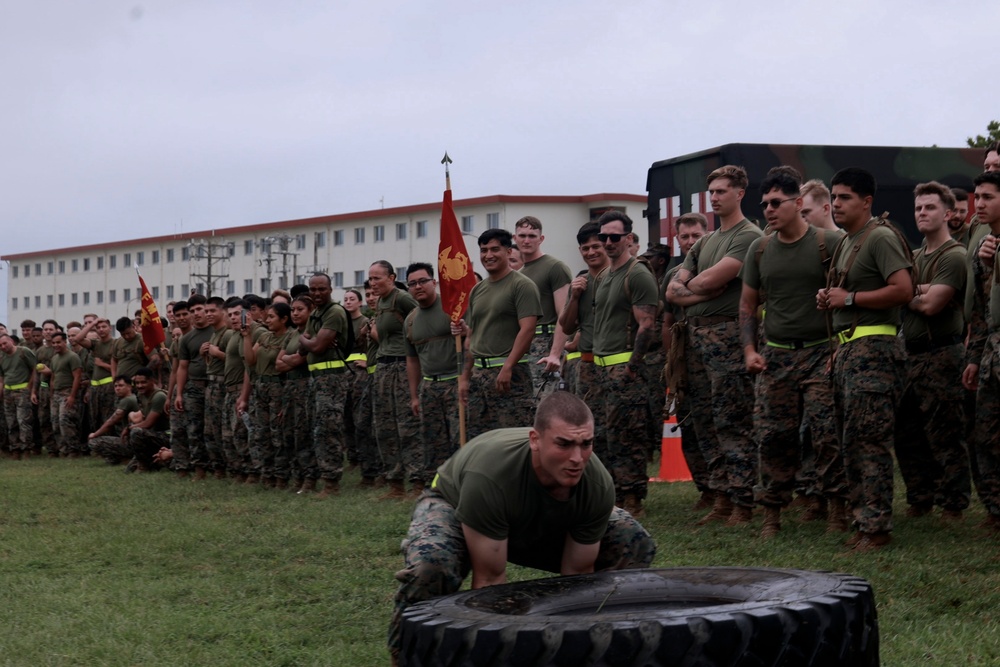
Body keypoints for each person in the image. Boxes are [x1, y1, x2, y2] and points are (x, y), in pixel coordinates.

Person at [387, 391, 657, 665]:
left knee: (632, 539)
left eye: (585, 444)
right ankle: (407, 653)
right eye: (564, 444)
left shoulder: (596, 484)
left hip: (530, 519)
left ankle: (607, 646)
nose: (577, 458)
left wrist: (574, 646)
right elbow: (489, 582)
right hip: (456, 505)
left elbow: (577, 578)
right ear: (535, 440)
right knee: (432, 564)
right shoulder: (490, 475)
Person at [739, 166, 847, 538]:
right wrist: (749, 349)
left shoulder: (828, 244)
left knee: (827, 435)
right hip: (776, 356)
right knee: (773, 437)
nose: (769, 210)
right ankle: (772, 514)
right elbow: (748, 304)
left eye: (776, 202)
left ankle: (836, 510)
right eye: (764, 204)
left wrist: (840, 348)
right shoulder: (760, 248)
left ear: (798, 203)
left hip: (821, 354)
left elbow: (848, 297)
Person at [817, 167, 913, 552]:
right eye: (833, 197)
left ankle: (876, 527)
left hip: (875, 351)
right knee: (852, 441)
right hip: (850, 350)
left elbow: (903, 290)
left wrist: (849, 299)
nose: (836, 204)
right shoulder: (848, 241)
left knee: (870, 441)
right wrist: (832, 301)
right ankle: (863, 521)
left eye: (845, 197)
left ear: (866, 201)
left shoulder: (880, 237)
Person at [666, 165, 763, 526]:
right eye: (712, 192)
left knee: (732, 419)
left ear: (740, 193)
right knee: (704, 420)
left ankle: (743, 501)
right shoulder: (705, 242)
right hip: (695, 337)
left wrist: (692, 289)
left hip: (728, 336)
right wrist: (698, 294)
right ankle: (720, 497)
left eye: (722, 191)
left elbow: (710, 279)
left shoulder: (748, 235)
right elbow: (673, 291)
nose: (715, 198)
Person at [895, 181, 970, 520]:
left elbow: (931, 305)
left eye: (930, 207)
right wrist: (916, 290)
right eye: (918, 208)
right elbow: (906, 293)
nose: (922, 213)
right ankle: (920, 497)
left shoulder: (955, 255)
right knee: (907, 431)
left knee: (945, 431)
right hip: (909, 354)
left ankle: (953, 502)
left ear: (948, 213)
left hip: (942, 354)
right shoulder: (913, 257)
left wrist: (906, 293)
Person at [586, 211, 658, 518]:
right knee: (604, 435)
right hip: (601, 368)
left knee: (628, 435)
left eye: (614, 237)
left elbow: (647, 325)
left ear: (629, 238)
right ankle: (613, 495)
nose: (608, 242)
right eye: (603, 237)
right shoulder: (604, 276)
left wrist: (631, 367)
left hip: (623, 367)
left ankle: (633, 499)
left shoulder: (637, 274)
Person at [456, 229, 541, 440]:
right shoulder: (477, 290)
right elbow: (472, 336)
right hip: (479, 376)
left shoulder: (522, 285)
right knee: (480, 440)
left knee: (511, 439)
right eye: (483, 250)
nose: (488, 255)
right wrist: (465, 378)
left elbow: (528, 329)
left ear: (508, 251)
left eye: (495, 249)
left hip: (509, 376)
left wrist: (508, 366)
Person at [660, 213, 711, 507]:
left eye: (696, 236)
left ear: (707, 234)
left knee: (718, 420)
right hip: (685, 359)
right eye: (685, 236)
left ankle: (728, 489)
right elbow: (667, 322)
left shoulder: (718, 268)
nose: (690, 242)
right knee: (689, 424)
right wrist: (672, 363)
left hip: (716, 357)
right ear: (676, 239)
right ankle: (706, 488)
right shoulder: (673, 275)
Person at [963, 169, 1000, 532]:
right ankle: (995, 508)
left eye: (988, 197)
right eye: (978, 198)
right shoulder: (983, 247)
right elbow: (978, 312)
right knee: (986, 435)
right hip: (991, 355)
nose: (980, 205)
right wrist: (974, 358)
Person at [404, 263, 461, 489]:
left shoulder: (452, 308)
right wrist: (414, 396)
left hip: (455, 384)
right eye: (412, 283)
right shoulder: (410, 320)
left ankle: (462, 486)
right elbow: (412, 360)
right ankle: (436, 488)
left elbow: (471, 342)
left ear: (434, 282)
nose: (418, 286)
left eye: (423, 281)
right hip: (429, 388)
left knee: (459, 439)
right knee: (433, 442)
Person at [369, 261, 422, 499]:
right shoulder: (380, 302)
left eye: (377, 278)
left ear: (391, 278)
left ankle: (418, 481)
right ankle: (395, 482)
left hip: (403, 366)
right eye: (371, 279)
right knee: (385, 427)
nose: (373, 283)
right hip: (383, 367)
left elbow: (420, 320)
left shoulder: (402, 299)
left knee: (407, 426)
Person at [297, 273, 350, 498]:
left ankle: (331, 483)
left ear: (330, 289)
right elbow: (304, 348)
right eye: (313, 289)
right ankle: (320, 477)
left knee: (328, 430)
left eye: (321, 289)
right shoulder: (316, 313)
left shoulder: (335, 312)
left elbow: (316, 346)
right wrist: (309, 340)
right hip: (317, 378)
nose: (317, 293)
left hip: (332, 378)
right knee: (316, 429)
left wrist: (304, 338)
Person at [515, 216, 573, 399]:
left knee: (547, 403)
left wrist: (555, 354)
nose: (526, 240)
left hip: (546, 345)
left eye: (532, 236)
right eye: (522, 235)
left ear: (541, 239)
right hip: (526, 346)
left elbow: (564, 315)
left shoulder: (555, 267)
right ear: (515, 238)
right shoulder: (519, 274)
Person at [244, 302, 295, 488]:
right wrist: (247, 337)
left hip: (278, 387)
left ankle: (282, 475)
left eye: (272, 317)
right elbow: (250, 360)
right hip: (261, 386)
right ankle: (268, 474)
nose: (268, 320)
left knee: (278, 433)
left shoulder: (290, 336)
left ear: (284, 319)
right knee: (262, 433)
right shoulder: (264, 336)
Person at [559, 222, 609, 401]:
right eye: (585, 248)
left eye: (596, 246)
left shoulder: (622, 277)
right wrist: (575, 297)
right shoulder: (580, 284)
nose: (591, 252)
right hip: (587, 366)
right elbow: (567, 327)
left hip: (616, 364)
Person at [173, 294, 213, 479]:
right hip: (194, 387)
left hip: (214, 384)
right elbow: (182, 367)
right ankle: (199, 469)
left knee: (214, 429)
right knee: (194, 430)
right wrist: (179, 394)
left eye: (199, 309)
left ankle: (220, 468)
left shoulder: (217, 331)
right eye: (192, 311)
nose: (196, 313)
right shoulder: (186, 339)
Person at [277, 295, 314, 492]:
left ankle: (309, 477)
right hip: (290, 388)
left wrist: (290, 360)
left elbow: (301, 360)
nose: (295, 313)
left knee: (304, 434)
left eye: (300, 309)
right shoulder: (292, 334)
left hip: (305, 385)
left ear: (310, 311)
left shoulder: (311, 333)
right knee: (289, 433)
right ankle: (297, 477)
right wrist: (291, 359)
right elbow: (278, 364)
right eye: (293, 310)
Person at [38, 331, 83, 457]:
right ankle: (63, 449)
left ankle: (73, 449)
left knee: (65, 420)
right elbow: (53, 376)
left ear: (65, 342)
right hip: (56, 394)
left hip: (67, 392)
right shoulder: (54, 358)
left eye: (58, 342)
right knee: (55, 422)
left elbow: (77, 377)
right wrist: (52, 393)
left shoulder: (72, 357)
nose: (56, 345)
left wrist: (72, 396)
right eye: (53, 343)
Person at [203, 296, 234, 478]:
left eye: (212, 311)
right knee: (210, 430)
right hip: (212, 383)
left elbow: (235, 361)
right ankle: (218, 468)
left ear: (222, 312)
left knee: (224, 429)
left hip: (223, 385)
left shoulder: (227, 334)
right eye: (206, 311)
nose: (208, 314)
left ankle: (231, 468)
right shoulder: (214, 334)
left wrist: (217, 353)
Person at [342, 288, 369, 471]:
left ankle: (363, 456)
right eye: (346, 299)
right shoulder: (341, 323)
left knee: (359, 416)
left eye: (352, 299)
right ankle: (352, 457)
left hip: (359, 373)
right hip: (343, 371)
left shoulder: (365, 322)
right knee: (346, 417)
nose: (348, 302)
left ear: (360, 302)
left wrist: (367, 362)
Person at [72, 318, 116, 427]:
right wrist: (93, 323)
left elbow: (119, 368)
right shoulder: (96, 344)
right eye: (98, 327)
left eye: (104, 327)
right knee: (94, 419)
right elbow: (77, 339)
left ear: (110, 328)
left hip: (109, 386)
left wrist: (102, 364)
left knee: (107, 418)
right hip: (95, 387)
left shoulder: (115, 344)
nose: (101, 329)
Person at [127, 367, 172, 471]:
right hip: (153, 434)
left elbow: (148, 424)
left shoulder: (159, 396)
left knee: (136, 432)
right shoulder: (141, 395)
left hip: (166, 436)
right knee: (129, 470)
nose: (140, 386)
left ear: (152, 381)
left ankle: (145, 466)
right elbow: (143, 417)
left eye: (143, 382)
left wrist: (130, 428)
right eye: (137, 383)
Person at [87, 374, 140, 465]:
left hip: (132, 442)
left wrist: (95, 434)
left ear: (129, 386)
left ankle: (125, 458)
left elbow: (111, 421)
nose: (117, 388)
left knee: (94, 442)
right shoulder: (131, 398)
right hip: (132, 440)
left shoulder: (128, 400)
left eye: (121, 385)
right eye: (115, 386)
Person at [0, 333, 37, 459]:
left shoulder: (23, 352)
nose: (3, 347)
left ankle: (26, 448)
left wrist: (30, 388)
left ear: (11, 341)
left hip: (22, 390)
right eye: (0, 345)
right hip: (8, 391)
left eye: (5, 343)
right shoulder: (1, 357)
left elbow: (35, 370)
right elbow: (2, 377)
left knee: (23, 421)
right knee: (11, 422)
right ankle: (15, 449)